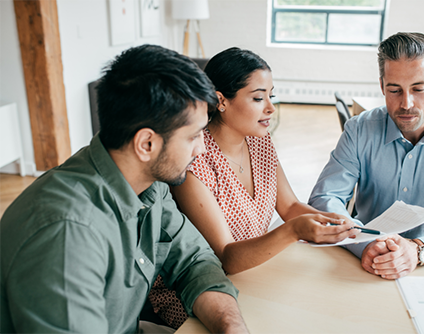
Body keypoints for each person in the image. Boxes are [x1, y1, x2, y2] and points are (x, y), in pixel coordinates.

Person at [0, 45, 249, 334]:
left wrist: (230, 326)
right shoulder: (67, 233)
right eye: (193, 136)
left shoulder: (150, 183)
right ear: (146, 144)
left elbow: (194, 260)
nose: (202, 148)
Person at [148, 47, 360, 327]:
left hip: (255, 275)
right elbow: (227, 257)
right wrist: (295, 230)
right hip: (196, 294)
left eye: (271, 95)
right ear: (221, 101)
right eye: (259, 98)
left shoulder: (259, 141)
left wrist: (338, 224)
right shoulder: (194, 161)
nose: (270, 107)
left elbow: (290, 206)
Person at [309, 32, 424, 280]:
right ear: (382, 86)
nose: (407, 103)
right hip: (364, 261)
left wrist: (419, 250)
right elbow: (324, 199)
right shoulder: (359, 130)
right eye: (395, 90)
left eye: (419, 89)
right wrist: (362, 242)